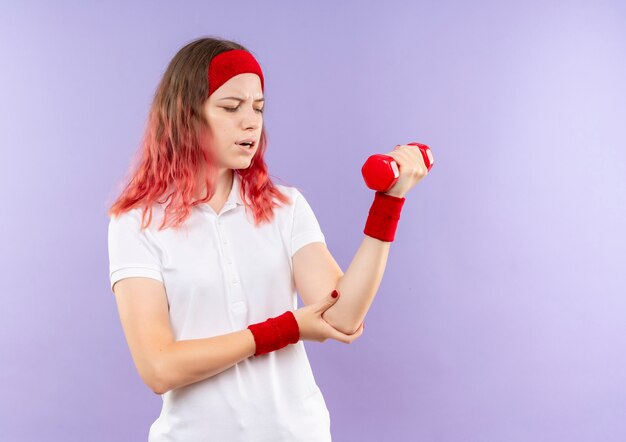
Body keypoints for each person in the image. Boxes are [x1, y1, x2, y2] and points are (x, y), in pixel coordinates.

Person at [107, 36, 430, 442]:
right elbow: (158, 368)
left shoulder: (285, 207)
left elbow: (342, 317)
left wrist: (388, 202)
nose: (251, 122)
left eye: (258, 108)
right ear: (185, 116)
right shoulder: (136, 223)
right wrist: (286, 329)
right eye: (230, 107)